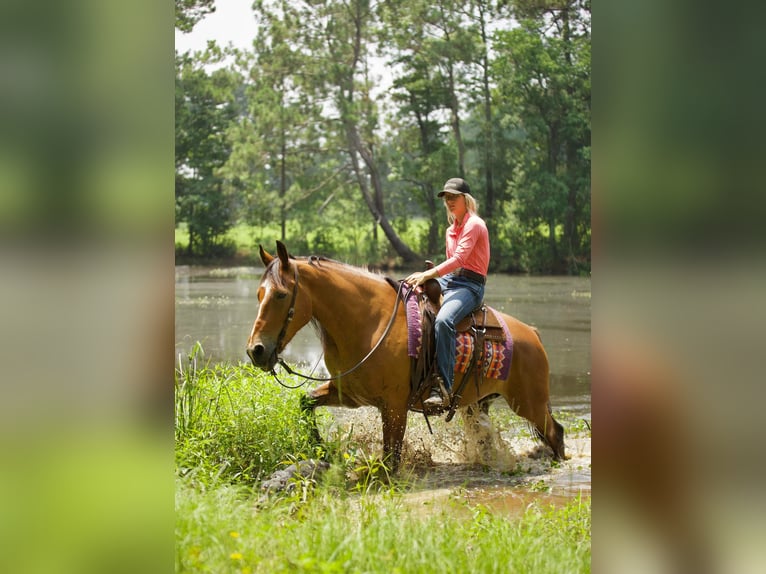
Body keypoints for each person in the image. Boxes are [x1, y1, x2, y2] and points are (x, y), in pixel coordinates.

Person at [405, 178, 490, 408]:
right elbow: (452, 265)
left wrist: (429, 273)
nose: (450, 202)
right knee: (409, 292)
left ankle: (444, 386)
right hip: (451, 280)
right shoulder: (450, 230)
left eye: (454, 197)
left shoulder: (475, 224)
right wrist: (428, 278)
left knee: (443, 320)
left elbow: (460, 259)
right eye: (447, 198)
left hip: (471, 286)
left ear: (466, 199)